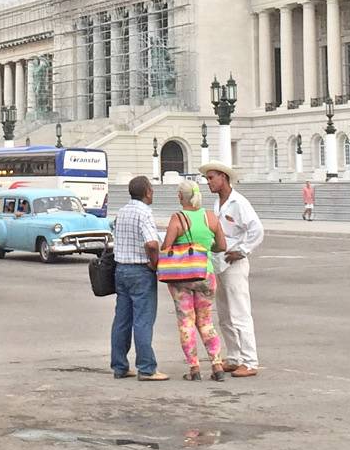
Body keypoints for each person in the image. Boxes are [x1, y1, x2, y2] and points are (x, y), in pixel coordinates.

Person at [162, 180, 229, 382]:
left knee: (186, 322)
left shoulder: (177, 219)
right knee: (206, 321)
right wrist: (205, 250)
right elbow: (222, 245)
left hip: (181, 276)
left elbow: (166, 247)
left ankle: (194, 368)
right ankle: (217, 364)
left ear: (181, 197)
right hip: (205, 274)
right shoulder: (210, 217)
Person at [201, 162, 263, 377]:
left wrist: (243, 250)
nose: (208, 182)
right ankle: (234, 356)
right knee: (225, 314)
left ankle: (250, 360)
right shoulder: (219, 203)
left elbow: (256, 230)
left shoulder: (239, 202)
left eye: (211, 178)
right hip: (220, 262)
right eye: (207, 178)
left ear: (223, 178)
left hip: (234, 262)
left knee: (240, 312)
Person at [109, 175, 167, 381]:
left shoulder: (122, 212)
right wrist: (154, 263)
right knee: (143, 320)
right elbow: (151, 243)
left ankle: (119, 366)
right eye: (151, 189)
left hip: (121, 270)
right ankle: (146, 367)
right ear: (147, 192)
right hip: (140, 271)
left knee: (122, 319)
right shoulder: (144, 213)